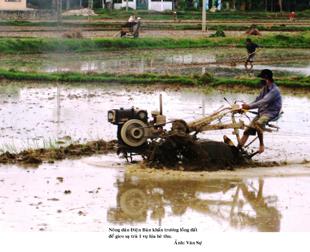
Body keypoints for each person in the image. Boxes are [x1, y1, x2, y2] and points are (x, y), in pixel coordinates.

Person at [238, 69, 282, 154]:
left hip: (271, 113)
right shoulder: (264, 89)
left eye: (261, 78)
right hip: (262, 112)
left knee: (258, 123)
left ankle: (261, 145)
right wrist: (245, 108)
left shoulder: (274, 90)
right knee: (246, 131)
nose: (260, 80)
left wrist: (249, 107)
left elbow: (264, 101)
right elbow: (257, 100)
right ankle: (237, 150)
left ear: (266, 79)